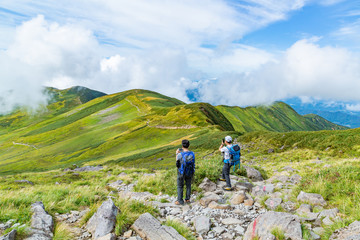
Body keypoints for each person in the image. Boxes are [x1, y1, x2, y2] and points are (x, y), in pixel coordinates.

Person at [175, 139, 195, 205]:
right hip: (189, 171)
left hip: (181, 172)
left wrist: (176, 153)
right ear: (189, 145)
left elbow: (177, 164)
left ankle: (180, 200)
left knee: (180, 186)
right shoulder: (192, 153)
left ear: (182, 145)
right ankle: (187, 199)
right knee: (188, 185)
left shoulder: (180, 154)